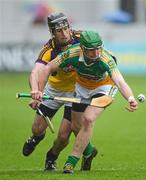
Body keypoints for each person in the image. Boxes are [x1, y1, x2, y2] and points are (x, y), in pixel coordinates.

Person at [35, 30, 138, 173]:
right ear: (82, 48)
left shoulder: (105, 59)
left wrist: (131, 98)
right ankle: (89, 153)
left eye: (98, 48)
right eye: (91, 50)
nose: (96, 53)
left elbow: (120, 81)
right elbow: (48, 68)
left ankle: (72, 160)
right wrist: (39, 91)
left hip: (104, 87)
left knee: (88, 119)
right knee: (76, 127)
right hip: (82, 88)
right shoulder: (71, 53)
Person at [23, 13, 97, 171]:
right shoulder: (48, 50)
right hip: (54, 90)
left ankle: (51, 158)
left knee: (63, 136)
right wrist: (36, 91)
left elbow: (97, 49)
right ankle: (36, 139)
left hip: (76, 93)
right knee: (37, 128)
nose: (64, 34)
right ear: (52, 32)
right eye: (59, 31)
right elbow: (35, 72)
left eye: (66, 28)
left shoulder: (80, 38)